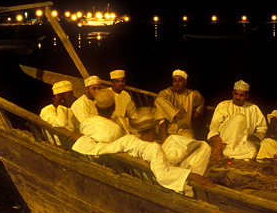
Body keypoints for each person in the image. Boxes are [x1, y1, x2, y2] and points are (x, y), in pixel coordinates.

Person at [74, 106, 215, 195]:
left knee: (173, 141)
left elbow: (101, 148)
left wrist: (80, 138)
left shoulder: (128, 140)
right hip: (152, 178)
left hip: (142, 171)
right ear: (154, 128)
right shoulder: (154, 149)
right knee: (202, 147)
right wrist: (191, 175)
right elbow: (163, 174)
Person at [207, 80, 267, 160]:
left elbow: (262, 128)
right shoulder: (223, 105)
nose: (237, 97)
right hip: (224, 140)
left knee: (253, 151)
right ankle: (219, 148)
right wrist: (216, 138)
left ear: (247, 96)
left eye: (241, 95)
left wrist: (255, 136)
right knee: (240, 118)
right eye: (236, 94)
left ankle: (225, 152)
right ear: (232, 93)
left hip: (242, 141)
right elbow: (215, 123)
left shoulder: (254, 108)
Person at [154, 69, 205, 139]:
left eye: (180, 80)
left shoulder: (192, 94)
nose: (176, 83)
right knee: (159, 106)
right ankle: (163, 137)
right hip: (169, 128)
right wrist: (175, 112)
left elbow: (201, 101)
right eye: (174, 80)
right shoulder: (168, 92)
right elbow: (159, 99)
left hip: (184, 129)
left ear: (185, 82)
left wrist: (198, 111)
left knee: (189, 142)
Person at [109, 69, 137, 133]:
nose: (121, 84)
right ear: (112, 83)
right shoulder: (107, 94)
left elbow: (131, 113)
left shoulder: (126, 95)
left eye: (122, 81)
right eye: (117, 81)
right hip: (110, 125)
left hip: (124, 125)